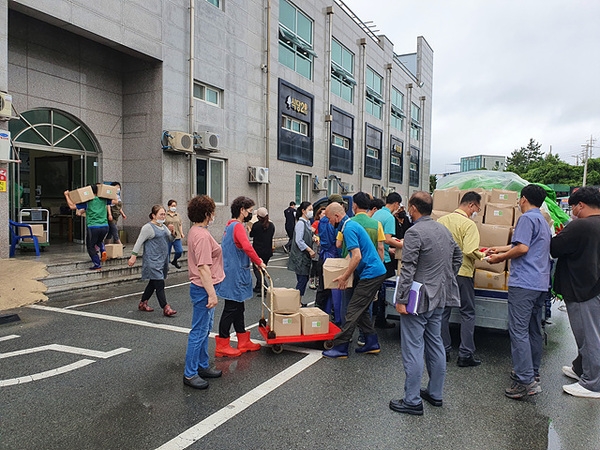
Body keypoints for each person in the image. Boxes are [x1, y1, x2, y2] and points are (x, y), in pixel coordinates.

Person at [389, 192, 462, 416]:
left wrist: (401, 299)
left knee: (413, 348)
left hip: (418, 298)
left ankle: (412, 400)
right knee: (435, 343)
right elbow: (457, 256)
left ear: (412, 208)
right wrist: (445, 279)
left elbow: (408, 268)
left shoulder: (414, 232)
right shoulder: (443, 229)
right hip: (440, 296)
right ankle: (435, 393)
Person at [486, 184, 551, 399]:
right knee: (533, 330)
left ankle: (525, 382)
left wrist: (498, 258)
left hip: (524, 283)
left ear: (523, 199)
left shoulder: (526, 218)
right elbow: (524, 245)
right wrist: (500, 248)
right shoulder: (541, 219)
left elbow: (522, 249)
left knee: (518, 331)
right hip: (539, 283)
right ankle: (532, 372)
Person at [550, 186, 600, 398]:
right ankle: (580, 368)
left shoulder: (581, 225)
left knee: (588, 336)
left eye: (572, 207)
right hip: (594, 284)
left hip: (582, 288)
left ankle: (592, 383)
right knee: (591, 333)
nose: (572, 211)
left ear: (580, 205)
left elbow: (555, 247)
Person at [322, 202, 387, 359]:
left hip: (371, 273)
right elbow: (353, 255)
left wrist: (344, 277)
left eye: (330, 219)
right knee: (362, 309)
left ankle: (341, 347)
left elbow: (356, 256)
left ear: (337, 216)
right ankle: (371, 343)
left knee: (352, 309)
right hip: (375, 272)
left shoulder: (349, 228)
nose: (329, 223)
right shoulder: (350, 225)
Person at [437, 191, 485, 367]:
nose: (476, 212)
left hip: (443, 273)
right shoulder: (469, 224)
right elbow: (469, 250)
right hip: (462, 273)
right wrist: (484, 255)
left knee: (443, 312)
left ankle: (443, 350)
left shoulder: (441, 221)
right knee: (467, 312)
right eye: (477, 208)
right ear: (471, 205)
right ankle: (465, 354)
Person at [216, 196, 266, 357]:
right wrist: (259, 262)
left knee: (238, 307)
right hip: (235, 273)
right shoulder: (237, 227)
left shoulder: (229, 225)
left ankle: (243, 340)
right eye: (250, 211)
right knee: (231, 308)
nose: (251, 214)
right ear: (242, 210)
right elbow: (247, 247)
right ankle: (222, 343)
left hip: (232, 271)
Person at [183, 195, 224, 390]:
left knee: (204, 328)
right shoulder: (202, 236)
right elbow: (203, 268)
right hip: (203, 287)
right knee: (199, 331)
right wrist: (212, 294)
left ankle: (201, 365)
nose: (214, 214)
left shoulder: (196, 231)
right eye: (213, 211)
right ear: (207, 214)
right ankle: (190, 373)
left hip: (203, 287)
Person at [336, 192, 385, 331]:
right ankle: (364, 337)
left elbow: (338, 244)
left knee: (347, 302)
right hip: (369, 269)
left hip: (350, 267)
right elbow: (380, 248)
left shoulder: (348, 223)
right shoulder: (377, 224)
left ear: (355, 205)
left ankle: (346, 333)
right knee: (365, 304)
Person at [128, 204, 177, 317]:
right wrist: (133, 256)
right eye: (160, 214)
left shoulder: (163, 227)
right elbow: (138, 242)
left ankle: (143, 303)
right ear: (153, 215)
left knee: (153, 283)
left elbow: (170, 239)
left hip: (162, 260)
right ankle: (165, 307)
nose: (163, 216)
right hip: (152, 260)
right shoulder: (147, 228)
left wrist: (173, 232)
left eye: (164, 214)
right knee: (159, 283)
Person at [372, 192, 404, 328]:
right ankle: (381, 318)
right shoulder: (389, 217)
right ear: (396, 204)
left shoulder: (377, 214)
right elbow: (387, 238)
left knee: (374, 289)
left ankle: (374, 314)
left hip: (374, 254)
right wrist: (403, 244)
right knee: (387, 287)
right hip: (383, 259)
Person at [64, 185, 112, 270]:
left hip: (93, 227)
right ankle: (103, 249)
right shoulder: (104, 200)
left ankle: (97, 264)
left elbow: (71, 206)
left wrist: (67, 195)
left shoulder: (88, 201)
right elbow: (115, 200)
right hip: (105, 226)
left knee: (90, 246)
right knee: (99, 241)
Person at [315, 195, 344, 323]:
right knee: (334, 290)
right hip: (333, 257)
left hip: (325, 256)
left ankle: (321, 316)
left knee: (324, 289)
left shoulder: (323, 221)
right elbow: (335, 242)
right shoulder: (331, 221)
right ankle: (335, 318)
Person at [287, 201, 316, 306]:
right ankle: (296, 302)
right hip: (300, 257)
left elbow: (307, 236)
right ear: (303, 211)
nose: (311, 212)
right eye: (310, 210)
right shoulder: (300, 223)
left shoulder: (307, 223)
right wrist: (309, 250)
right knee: (302, 279)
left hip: (305, 257)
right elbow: (299, 241)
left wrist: (314, 238)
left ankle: (298, 301)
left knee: (304, 279)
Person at [250, 207, 275, 294]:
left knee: (257, 270)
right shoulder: (271, 225)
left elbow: (251, 234)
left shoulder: (256, 225)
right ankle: (258, 286)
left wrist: (249, 229)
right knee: (263, 269)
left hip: (258, 251)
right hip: (267, 250)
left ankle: (265, 288)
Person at [309, 206, 326, 290]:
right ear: (319, 215)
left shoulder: (327, 223)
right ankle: (312, 281)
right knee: (315, 265)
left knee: (320, 265)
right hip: (316, 245)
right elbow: (310, 233)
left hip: (322, 244)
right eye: (323, 213)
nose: (324, 215)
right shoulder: (316, 223)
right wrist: (315, 237)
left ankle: (318, 281)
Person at [165, 199, 185, 269]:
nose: (174, 207)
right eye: (172, 205)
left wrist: (181, 233)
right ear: (169, 206)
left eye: (175, 206)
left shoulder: (178, 215)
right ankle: (166, 267)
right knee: (167, 253)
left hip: (177, 236)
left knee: (179, 251)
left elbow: (180, 224)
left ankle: (175, 260)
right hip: (168, 236)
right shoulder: (165, 215)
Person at [105, 181, 126, 246]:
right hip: (111, 215)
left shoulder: (118, 197)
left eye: (119, 187)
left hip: (116, 216)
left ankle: (106, 245)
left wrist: (123, 214)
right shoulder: (110, 196)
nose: (118, 189)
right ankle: (119, 244)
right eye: (116, 187)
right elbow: (108, 205)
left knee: (110, 232)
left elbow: (119, 207)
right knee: (114, 229)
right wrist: (109, 214)